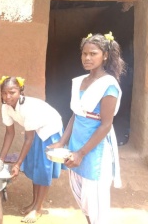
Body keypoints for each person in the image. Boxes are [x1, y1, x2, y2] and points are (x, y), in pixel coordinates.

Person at [49, 32, 126, 224]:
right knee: (83, 200)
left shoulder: (109, 86)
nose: (87, 58)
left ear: (105, 56)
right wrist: (62, 141)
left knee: (95, 202)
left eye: (93, 53)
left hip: (94, 150)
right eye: (84, 54)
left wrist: (82, 153)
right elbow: (76, 114)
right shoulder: (80, 81)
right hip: (76, 146)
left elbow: (106, 125)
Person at [0, 76, 64, 223]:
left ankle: (38, 208)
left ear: (20, 91)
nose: (8, 96)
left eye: (12, 92)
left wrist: (17, 164)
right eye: (4, 92)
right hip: (34, 132)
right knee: (35, 168)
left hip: (49, 130)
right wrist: (1, 159)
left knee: (43, 168)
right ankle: (34, 204)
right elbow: (9, 133)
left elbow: (28, 139)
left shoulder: (28, 108)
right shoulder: (5, 107)